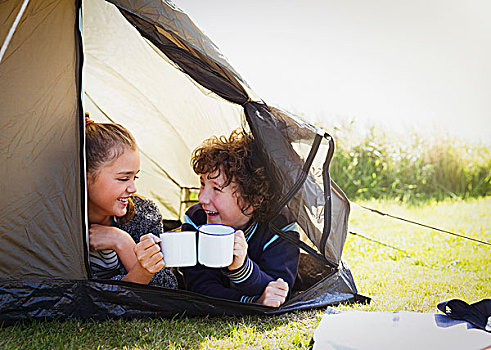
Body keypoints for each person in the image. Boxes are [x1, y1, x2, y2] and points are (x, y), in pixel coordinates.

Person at [181, 129, 300, 307]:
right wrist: (252, 302)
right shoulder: (196, 220)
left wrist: (242, 269)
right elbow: (200, 287)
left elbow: (278, 290)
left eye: (216, 189)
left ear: (254, 199)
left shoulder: (281, 228)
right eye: (203, 184)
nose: (202, 198)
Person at [85, 115, 177, 288]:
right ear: (86, 178)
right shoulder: (60, 223)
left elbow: (165, 289)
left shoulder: (145, 215)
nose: (133, 188)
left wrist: (122, 242)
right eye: (123, 179)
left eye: (135, 177)